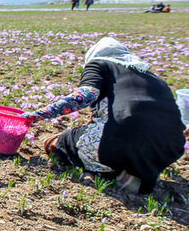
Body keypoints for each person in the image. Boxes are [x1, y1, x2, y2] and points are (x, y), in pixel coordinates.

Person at [23, 37, 185, 194]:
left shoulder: (99, 63)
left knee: (59, 142)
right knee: (124, 139)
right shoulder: (154, 77)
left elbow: (86, 95)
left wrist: (37, 115)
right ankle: (140, 179)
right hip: (170, 149)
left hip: (121, 139)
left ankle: (113, 174)